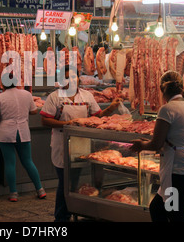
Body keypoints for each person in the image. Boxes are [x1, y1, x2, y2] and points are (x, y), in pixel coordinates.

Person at [40, 65, 122, 222]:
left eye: (73, 77)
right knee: (65, 182)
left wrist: (111, 108)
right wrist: (68, 124)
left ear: (78, 78)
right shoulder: (55, 97)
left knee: (74, 181)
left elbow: (96, 117)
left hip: (81, 145)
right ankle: (61, 217)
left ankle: (72, 211)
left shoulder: (86, 96)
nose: (70, 80)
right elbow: (44, 120)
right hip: (61, 144)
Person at [130, 70, 184, 222]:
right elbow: (171, 139)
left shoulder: (167, 109)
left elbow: (157, 143)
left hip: (178, 173)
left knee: (168, 212)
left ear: (162, 90)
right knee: (165, 209)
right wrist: (148, 143)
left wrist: (141, 145)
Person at [0, 73, 46, 202]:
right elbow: (34, 111)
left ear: (2, 84)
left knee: (10, 163)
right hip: (23, 131)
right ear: (16, 82)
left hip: (6, 132)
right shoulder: (26, 94)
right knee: (27, 161)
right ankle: (40, 190)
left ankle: (13, 193)